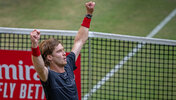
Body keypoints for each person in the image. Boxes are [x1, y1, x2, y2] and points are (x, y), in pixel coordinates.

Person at [30, 1, 95, 100]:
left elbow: (80, 41)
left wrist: (89, 14)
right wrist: (34, 45)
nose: (64, 53)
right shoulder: (49, 76)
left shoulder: (68, 64)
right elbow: (39, 67)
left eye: (63, 50)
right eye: (59, 51)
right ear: (49, 57)